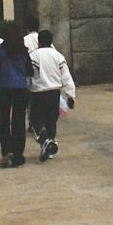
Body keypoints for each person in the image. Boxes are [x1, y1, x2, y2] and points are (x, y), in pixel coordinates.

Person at [0, 23, 33, 167]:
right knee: (19, 121)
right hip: (21, 88)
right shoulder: (23, 52)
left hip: (3, 87)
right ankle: (18, 154)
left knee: (4, 121)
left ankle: (6, 150)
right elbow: (30, 71)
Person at [28, 30, 75, 162]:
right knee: (51, 120)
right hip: (54, 92)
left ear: (39, 41)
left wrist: (26, 88)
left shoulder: (33, 56)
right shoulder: (58, 56)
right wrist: (71, 95)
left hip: (38, 92)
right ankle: (49, 147)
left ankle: (46, 141)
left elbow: (29, 75)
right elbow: (66, 76)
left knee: (36, 120)